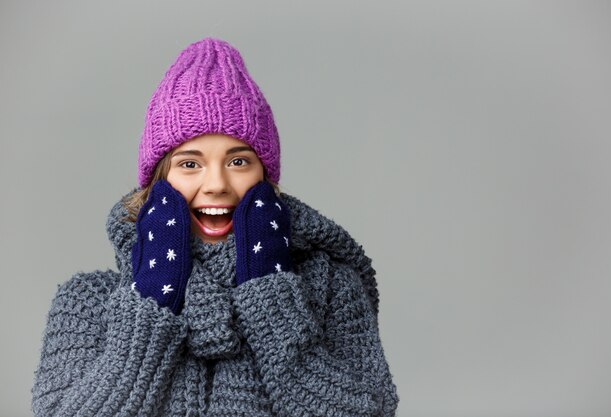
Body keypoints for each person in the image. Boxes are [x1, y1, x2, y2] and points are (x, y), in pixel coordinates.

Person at [31, 37, 399, 417]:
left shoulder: (331, 289)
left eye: (238, 162)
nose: (217, 185)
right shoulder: (88, 302)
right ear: (159, 182)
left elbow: (370, 410)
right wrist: (152, 301)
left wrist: (270, 296)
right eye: (190, 164)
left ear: (266, 177)